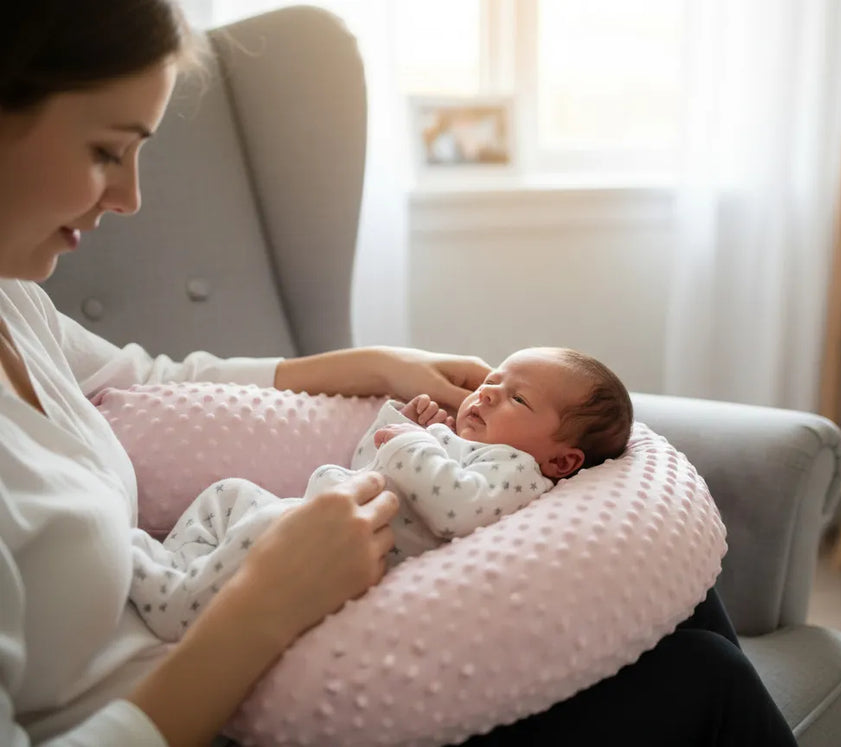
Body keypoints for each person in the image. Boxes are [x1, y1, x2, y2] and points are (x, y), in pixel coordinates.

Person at [0, 2, 798, 746]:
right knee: (710, 677)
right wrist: (264, 602)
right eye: (106, 150)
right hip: (223, 697)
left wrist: (377, 363)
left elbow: (155, 378)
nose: (131, 197)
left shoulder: (19, 305)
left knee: (684, 610)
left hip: (242, 622)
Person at [129, 347, 633, 641]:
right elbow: (367, 468)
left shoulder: (518, 472)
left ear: (562, 461)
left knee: (261, 528)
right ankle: (180, 566)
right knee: (229, 494)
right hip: (317, 511)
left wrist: (413, 442)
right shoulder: (455, 441)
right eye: (494, 381)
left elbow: (457, 510)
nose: (487, 393)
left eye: (517, 398)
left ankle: (176, 604)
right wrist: (400, 426)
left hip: (337, 548)